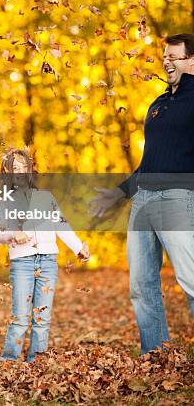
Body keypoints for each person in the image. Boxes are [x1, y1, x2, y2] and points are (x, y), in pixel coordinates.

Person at [89, 33, 194, 354]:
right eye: (165, 56)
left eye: (174, 57)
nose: (167, 61)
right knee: (141, 286)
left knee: (191, 280)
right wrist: (119, 194)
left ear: (192, 61)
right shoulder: (159, 104)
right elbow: (149, 162)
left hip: (178, 198)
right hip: (144, 201)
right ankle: (155, 354)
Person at [0, 149, 90, 362]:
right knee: (20, 317)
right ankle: (9, 360)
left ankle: (37, 361)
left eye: (23, 167)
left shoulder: (45, 198)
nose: (19, 172)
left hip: (47, 262)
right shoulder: (4, 202)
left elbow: (61, 225)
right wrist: (12, 233)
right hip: (22, 264)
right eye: (14, 168)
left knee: (42, 317)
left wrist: (78, 247)